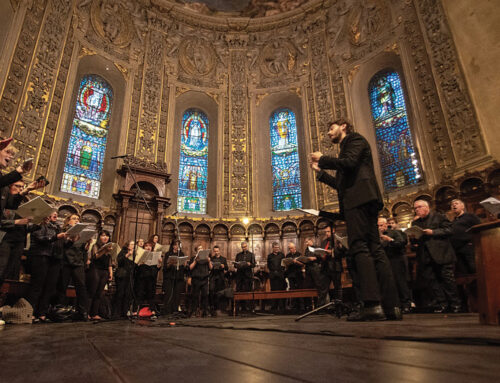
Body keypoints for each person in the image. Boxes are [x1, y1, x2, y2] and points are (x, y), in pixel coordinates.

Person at [310, 119, 400, 321]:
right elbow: (343, 184)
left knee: (360, 247)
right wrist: (321, 174)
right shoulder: (346, 150)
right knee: (374, 249)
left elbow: (349, 163)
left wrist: (323, 158)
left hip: (360, 200)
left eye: (330, 128)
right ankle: (391, 307)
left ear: (343, 126)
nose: (328, 133)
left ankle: (371, 305)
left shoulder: (354, 140)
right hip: (360, 198)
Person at [410, 200, 461, 313]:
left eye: (419, 207)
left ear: (427, 207)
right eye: (415, 208)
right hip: (425, 256)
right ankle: (442, 304)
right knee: (433, 282)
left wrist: (433, 232)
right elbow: (415, 240)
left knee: (447, 280)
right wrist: (414, 237)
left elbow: (450, 230)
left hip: (441, 254)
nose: (417, 210)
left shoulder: (439, 217)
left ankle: (455, 304)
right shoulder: (415, 223)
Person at [26, 211, 66, 322]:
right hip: (41, 256)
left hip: (54, 259)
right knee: (37, 286)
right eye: (52, 213)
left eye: (56, 214)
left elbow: (61, 244)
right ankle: (31, 312)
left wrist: (70, 240)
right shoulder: (40, 224)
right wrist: (56, 237)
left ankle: (42, 312)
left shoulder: (57, 227)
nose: (55, 215)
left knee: (49, 287)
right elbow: (41, 239)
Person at [59, 214, 90, 321]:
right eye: (74, 219)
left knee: (81, 287)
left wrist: (87, 245)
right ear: (68, 221)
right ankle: (60, 310)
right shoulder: (64, 231)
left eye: (78, 219)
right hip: (66, 261)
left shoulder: (81, 233)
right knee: (62, 286)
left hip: (78, 263)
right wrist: (69, 239)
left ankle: (82, 312)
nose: (76, 220)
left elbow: (83, 250)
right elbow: (60, 246)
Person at [378, 217, 412, 313]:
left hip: (396, 260)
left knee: (400, 282)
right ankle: (394, 306)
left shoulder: (394, 232)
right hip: (384, 262)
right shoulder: (375, 235)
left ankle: (406, 304)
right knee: (389, 284)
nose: (379, 228)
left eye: (381, 225)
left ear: (385, 225)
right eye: (378, 226)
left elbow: (401, 243)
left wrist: (389, 239)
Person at [87, 230, 113, 320]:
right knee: (92, 292)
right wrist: (104, 250)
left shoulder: (109, 248)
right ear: (99, 237)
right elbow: (95, 256)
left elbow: (110, 261)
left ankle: (94, 313)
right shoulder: (96, 246)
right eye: (103, 236)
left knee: (99, 293)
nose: (105, 237)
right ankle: (87, 313)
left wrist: (111, 272)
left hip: (105, 271)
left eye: (107, 236)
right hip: (95, 269)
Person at [450, 199, 481, 275]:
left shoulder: (470, 216)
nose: (454, 205)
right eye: (452, 205)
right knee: (464, 273)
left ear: (462, 206)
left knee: (474, 270)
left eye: (456, 203)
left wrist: (474, 242)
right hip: (457, 251)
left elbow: (479, 228)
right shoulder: (453, 222)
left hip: (469, 247)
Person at [162, 239, 186, 315]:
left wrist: (184, 264)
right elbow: (165, 267)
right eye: (175, 245)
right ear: (172, 246)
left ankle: (175, 310)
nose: (177, 246)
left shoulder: (181, 254)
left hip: (178, 277)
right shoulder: (168, 254)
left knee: (177, 294)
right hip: (169, 277)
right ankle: (167, 310)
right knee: (169, 294)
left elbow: (184, 268)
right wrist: (170, 263)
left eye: (178, 245)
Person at [112, 241, 135, 318]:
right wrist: (128, 254)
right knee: (120, 293)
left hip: (129, 276)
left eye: (133, 244)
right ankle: (116, 312)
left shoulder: (134, 254)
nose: (133, 246)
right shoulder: (123, 252)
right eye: (131, 244)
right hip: (121, 275)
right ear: (127, 245)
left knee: (127, 294)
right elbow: (119, 261)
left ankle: (124, 312)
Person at [188, 244, 212, 317]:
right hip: (196, 279)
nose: (201, 250)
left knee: (205, 296)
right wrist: (195, 261)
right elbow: (190, 268)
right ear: (196, 251)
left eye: (201, 248)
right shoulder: (193, 258)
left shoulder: (206, 258)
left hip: (204, 278)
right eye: (199, 249)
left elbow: (211, 268)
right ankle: (194, 311)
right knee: (195, 296)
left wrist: (209, 261)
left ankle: (205, 311)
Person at [267, 242, 286, 312]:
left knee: (281, 290)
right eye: (275, 247)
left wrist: (279, 271)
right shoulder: (270, 256)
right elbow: (269, 265)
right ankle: (274, 306)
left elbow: (284, 264)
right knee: (274, 290)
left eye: (278, 247)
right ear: (273, 248)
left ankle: (282, 306)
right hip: (273, 275)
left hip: (280, 275)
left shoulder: (282, 255)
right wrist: (273, 271)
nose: (277, 249)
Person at [209, 245, 227, 316]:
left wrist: (223, 266)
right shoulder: (211, 258)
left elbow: (227, 268)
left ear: (219, 250)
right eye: (215, 251)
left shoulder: (223, 259)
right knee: (212, 292)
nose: (216, 252)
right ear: (214, 251)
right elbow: (209, 268)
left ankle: (219, 309)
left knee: (219, 293)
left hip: (220, 277)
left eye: (217, 251)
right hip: (213, 277)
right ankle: (212, 308)